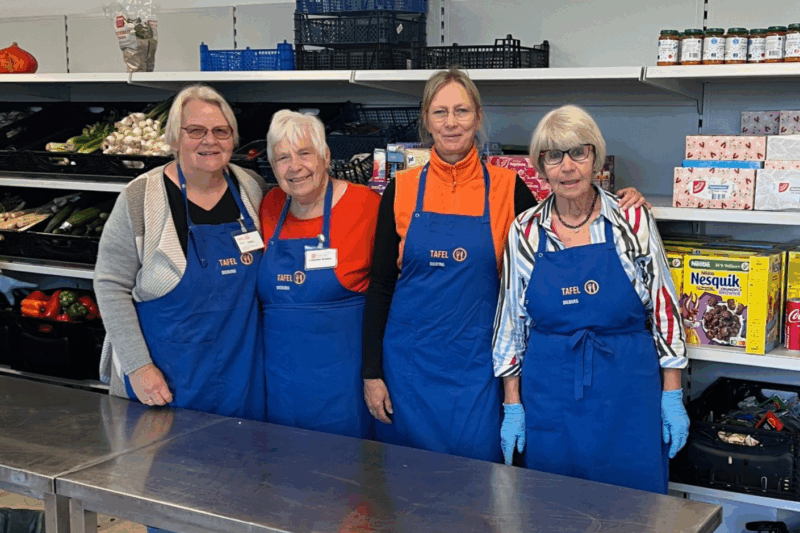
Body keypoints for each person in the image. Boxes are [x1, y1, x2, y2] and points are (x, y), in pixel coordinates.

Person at [362, 68, 647, 463]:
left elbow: (564, 229)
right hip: (408, 369)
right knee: (408, 480)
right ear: (426, 119)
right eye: (440, 112)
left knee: (480, 480)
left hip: (478, 369)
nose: (451, 122)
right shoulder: (401, 188)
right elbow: (380, 286)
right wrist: (372, 373)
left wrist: (614, 202)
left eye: (461, 111)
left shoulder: (508, 188)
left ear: (478, 117)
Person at [493, 104, 688, 493]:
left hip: (627, 391)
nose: (567, 167)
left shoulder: (631, 219)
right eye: (554, 156)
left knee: (635, 505)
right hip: (551, 391)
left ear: (595, 158)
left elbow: (664, 308)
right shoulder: (525, 230)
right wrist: (512, 404)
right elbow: (511, 323)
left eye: (578, 153)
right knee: (553, 504)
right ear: (541, 166)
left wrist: (673, 394)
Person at [95, 84, 267, 424]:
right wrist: (139, 367)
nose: (210, 141)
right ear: (174, 138)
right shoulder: (140, 197)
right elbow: (110, 285)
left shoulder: (251, 188)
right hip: (167, 381)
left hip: (241, 378)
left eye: (221, 131)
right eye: (195, 131)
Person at [258, 110, 380, 438]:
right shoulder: (270, 205)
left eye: (304, 153)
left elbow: (389, 293)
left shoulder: (364, 205)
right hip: (281, 384)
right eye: (282, 158)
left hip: (345, 387)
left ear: (325, 156)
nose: (294, 167)